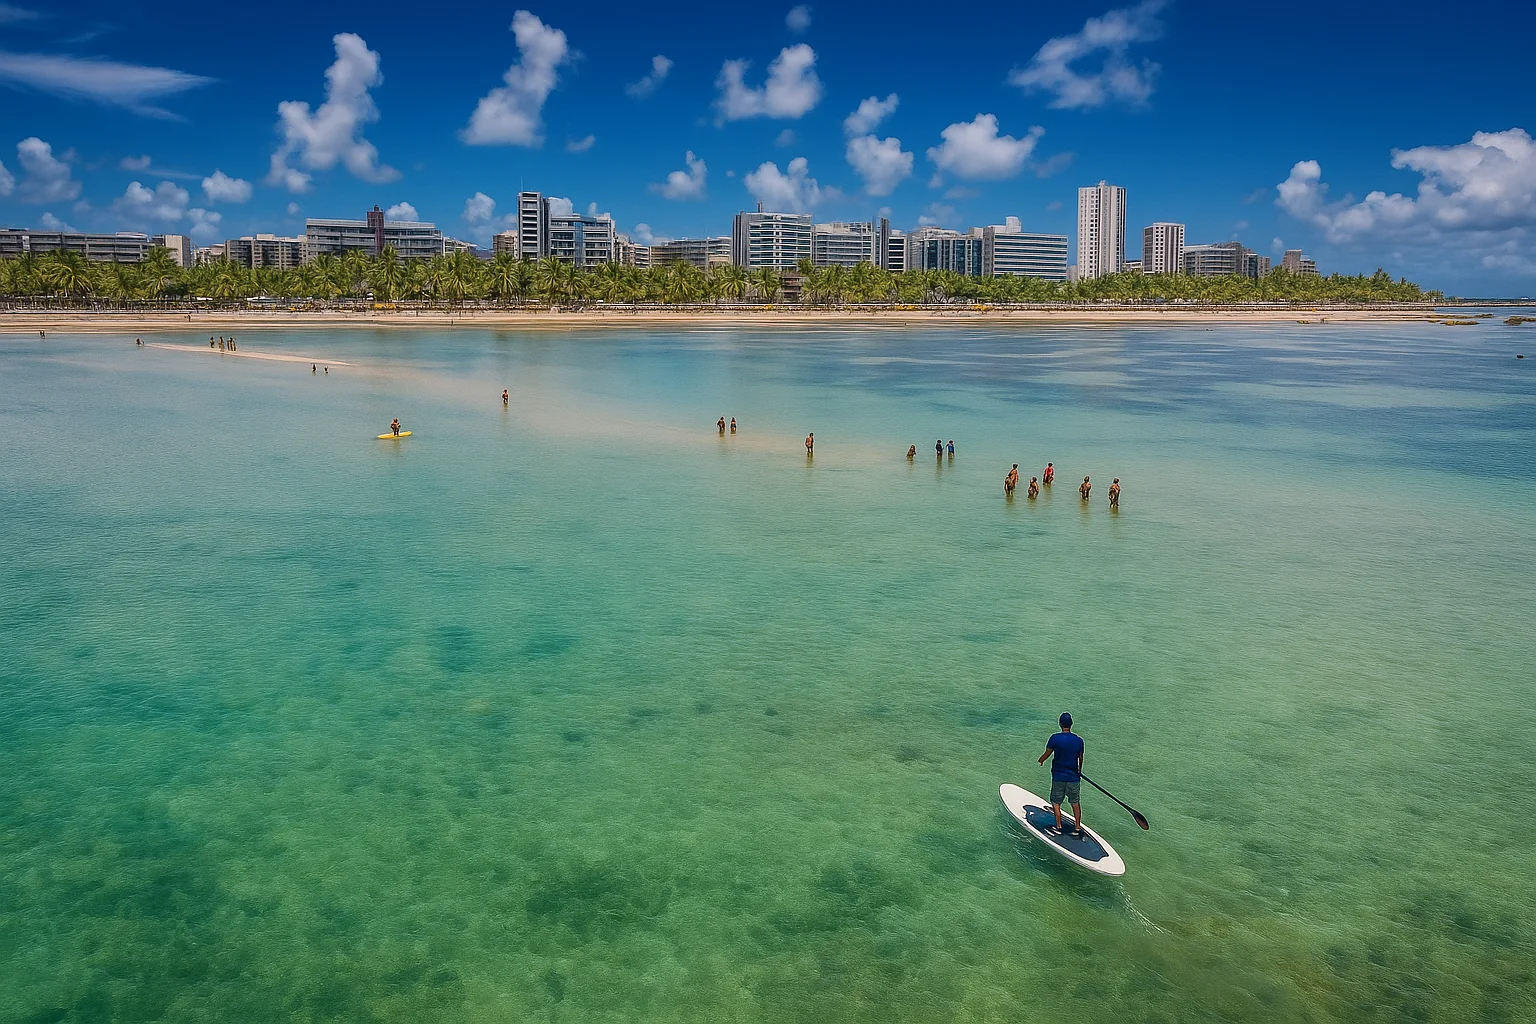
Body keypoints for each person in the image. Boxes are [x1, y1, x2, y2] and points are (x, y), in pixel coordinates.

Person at [1037, 712, 1085, 836]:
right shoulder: (1079, 741)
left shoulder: (1055, 738)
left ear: (1060, 723)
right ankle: (1078, 827)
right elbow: (1080, 757)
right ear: (1071, 724)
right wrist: (1079, 770)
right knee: (1075, 802)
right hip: (1074, 777)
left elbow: (1047, 753)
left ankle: (1058, 826)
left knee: (1056, 802)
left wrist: (1041, 760)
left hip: (1058, 776)